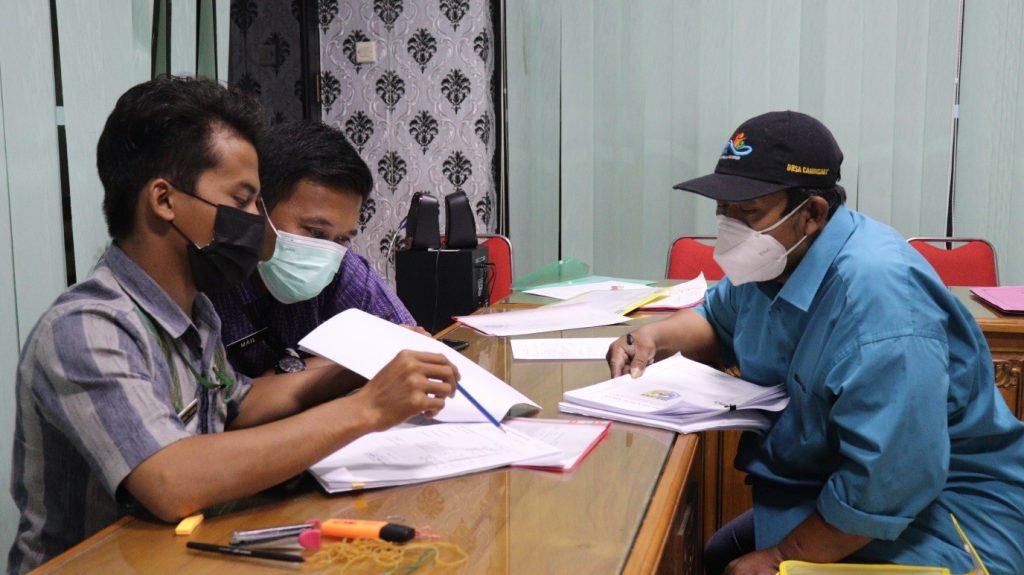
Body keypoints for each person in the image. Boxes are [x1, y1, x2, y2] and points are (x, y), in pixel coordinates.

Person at [8, 76, 459, 573]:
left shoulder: (194, 312)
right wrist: (367, 408)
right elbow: (172, 481)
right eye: (242, 200)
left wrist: (359, 366)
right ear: (164, 200)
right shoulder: (86, 328)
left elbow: (239, 405)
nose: (255, 224)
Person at [606, 111, 1024, 574]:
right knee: (714, 555)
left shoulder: (879, 297)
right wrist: (652, 337)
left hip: (944, 517)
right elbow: (717, 321)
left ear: (812, 213)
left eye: (748, 212)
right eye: (724, 210)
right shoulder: (775, 259)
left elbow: (891, 479)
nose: (730, 226)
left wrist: (780, 556)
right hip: (827, 486)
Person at [207, 121, 416, 377]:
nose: (326, 253)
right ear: (256, 209)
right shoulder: (208, 280)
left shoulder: (339, 266)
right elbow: (220, 397)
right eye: (316, 232)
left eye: (342, 239)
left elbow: (409, 344)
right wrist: (346, 364)